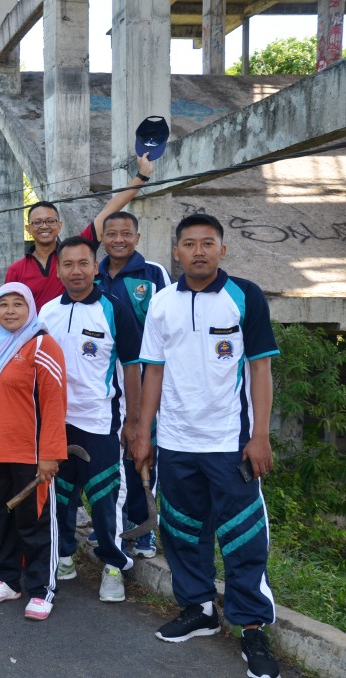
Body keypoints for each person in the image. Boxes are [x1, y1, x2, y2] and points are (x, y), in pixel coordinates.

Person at [133, 214, 281, 678]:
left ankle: (251, 627)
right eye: (190, 244)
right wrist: (144, 432)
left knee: (243, 534)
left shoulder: (245, 296)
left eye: (208, 243)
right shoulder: (161, 303)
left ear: (223, 249)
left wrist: (260, 435)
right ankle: (199, 609)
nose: (199, 251)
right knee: (182, 529)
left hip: (230, 441)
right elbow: (153, 371)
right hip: (176, 441)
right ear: (176, 252)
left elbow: (260, 368)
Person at [39, 236, 142, 604]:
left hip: (100, 422)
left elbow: (133, 367)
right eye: (68, 264)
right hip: (55, 423)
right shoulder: (46, 312)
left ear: (95, 267)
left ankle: (113, 566)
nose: (76, 271)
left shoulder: (115, 310)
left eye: (83, 263)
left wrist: (134, 421)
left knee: (105, 498)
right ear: (58, 269)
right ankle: (64, 556)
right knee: (60, 495)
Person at [0, 282, 67, 620]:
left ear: (30, 308)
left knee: (34, 523)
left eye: (17, 304)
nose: (9, 310)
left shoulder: (42, 345)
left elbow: (54, 404)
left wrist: (49, 454)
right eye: (3, 304)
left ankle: (42, 589)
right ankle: (5, 580)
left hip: (29, 456)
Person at [93, 211, 172, 560]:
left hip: (145, 381)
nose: (119, 240)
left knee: (143, 452)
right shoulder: (93, 276)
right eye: (112, 233)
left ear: (137, 238)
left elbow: (170, 322)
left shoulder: (153, 275)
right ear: (103, 239)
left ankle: (144, 526)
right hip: (105, 385)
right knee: (111, 456)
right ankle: (111, 522)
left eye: (126, 233)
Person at [5, 153, 154, 311]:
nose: (44, 226)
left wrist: (142, 176)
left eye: (50, 221)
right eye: (37, 222)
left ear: (59, 225)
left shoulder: (74, 253)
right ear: (28, 228)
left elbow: (109, 210)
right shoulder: (17, 270)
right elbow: (9, 310)